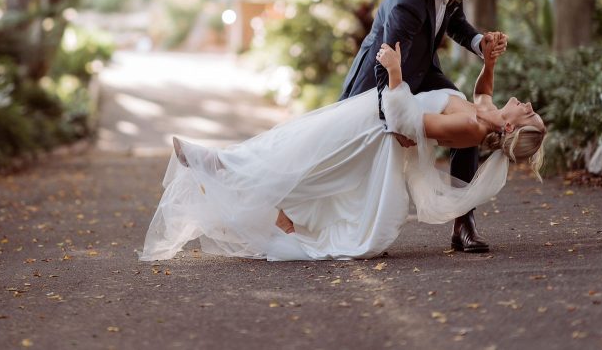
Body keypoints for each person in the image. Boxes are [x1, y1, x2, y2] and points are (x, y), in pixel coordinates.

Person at [140, 32, 545, 262]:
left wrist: (395, 72)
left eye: (528, 114)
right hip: (374, 119)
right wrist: (488, 62)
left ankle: (222, 166)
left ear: (510, 127)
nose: (527, 104)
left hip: (375, 130)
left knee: (304, 157)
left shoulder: (471, 128)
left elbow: (410, 123)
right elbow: (485, 92)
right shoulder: (486, 115)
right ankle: (231, 170)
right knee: (297, 147)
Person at [340, 0, 500, 253]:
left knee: (468, 119)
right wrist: (395, 121)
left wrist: (478, 43)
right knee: (363, 147)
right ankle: (355, 225)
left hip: (423, 71)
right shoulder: (408, 2)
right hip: (380, 77)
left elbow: (452, 21)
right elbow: (386, 63)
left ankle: (463, 224)